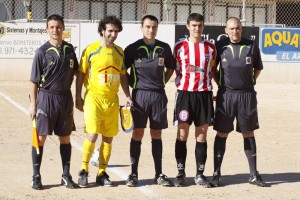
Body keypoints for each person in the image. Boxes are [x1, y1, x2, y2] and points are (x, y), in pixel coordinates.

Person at [76, 15, 132, 188]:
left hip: (112, 101)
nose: (113, 34)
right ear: (102, 30)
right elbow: (81, 74)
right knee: (92, 135)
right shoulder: (90, 50)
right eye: (110, 31)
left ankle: (102, 173)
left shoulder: (120, 52)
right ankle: (83, 170)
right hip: (94, 98)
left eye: (116, 31)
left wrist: (127, 95)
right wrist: (77, 95)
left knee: (108, 139)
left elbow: (123, 77)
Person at [210, 17, 266, 187]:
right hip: (226, 96)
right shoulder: (219, 47)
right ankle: (216, 174)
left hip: (247, 96)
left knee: (248, 132)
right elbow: (213, 69)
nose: (235, 32)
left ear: (242, 29)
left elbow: (257, 68)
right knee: (222, 133)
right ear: (226, 30)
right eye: (232, 29)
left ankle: (253, 174)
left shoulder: (252, 45)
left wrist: (250, 83)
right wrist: (221, 85)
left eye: (238, 28)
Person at [124, 15, 175, 187]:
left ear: (157, 28)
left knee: (156, 134)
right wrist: (127, 94)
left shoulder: (164, 48)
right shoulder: (132, 49)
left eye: (154, 27)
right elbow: (123, 73)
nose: (150, 30)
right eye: (147, 26)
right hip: (139, 96)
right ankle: (133, 174)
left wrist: (162, 82)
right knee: (137, 133)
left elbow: (171, 68)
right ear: (141, 27)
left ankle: (159, 173)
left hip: (158, 96)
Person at [29, 14, 78, 190]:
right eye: (52, 27)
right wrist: (33, 104)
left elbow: (78, 73)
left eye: (58, 27)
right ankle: (36, 175)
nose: (55, 30)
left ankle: (66, 175)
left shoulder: (70, 49)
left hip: (65, 98)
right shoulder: (41, 52)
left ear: (63, 28)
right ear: (47, 29)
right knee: (40, 138)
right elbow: (34, 81)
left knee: (65, 138)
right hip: (46, 98)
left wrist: (79, 96)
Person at [173, 13, 216, 187]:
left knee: (202, 135)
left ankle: (200, 174)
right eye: (193, 25)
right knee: (182, 134)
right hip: (184, 95)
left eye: (199, 25)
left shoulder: (211, 48)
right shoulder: (179, 47)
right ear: (188, 26)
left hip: (204, 95)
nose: (197, 28)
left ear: (203, 26)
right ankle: (180, 173)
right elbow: (177, 71)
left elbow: (212, 70)